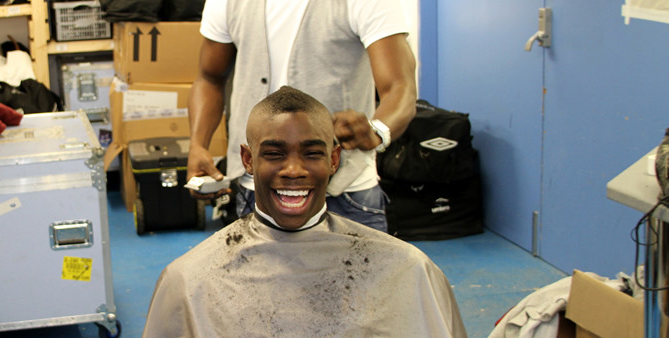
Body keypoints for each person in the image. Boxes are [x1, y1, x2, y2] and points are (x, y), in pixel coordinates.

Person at [143, 87, 466, 337]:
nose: (294, 170)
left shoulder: (407, 268)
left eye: (312, 153)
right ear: (248, 160)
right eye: (274, 154)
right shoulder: (188, 280)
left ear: (334, 159)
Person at [187, 0, 417, 232]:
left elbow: (401, 86)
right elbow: (209, 77)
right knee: (260, 270)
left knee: (358, 270)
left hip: (343, 191)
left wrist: (378, 130)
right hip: (258, 188)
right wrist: (197, 144)